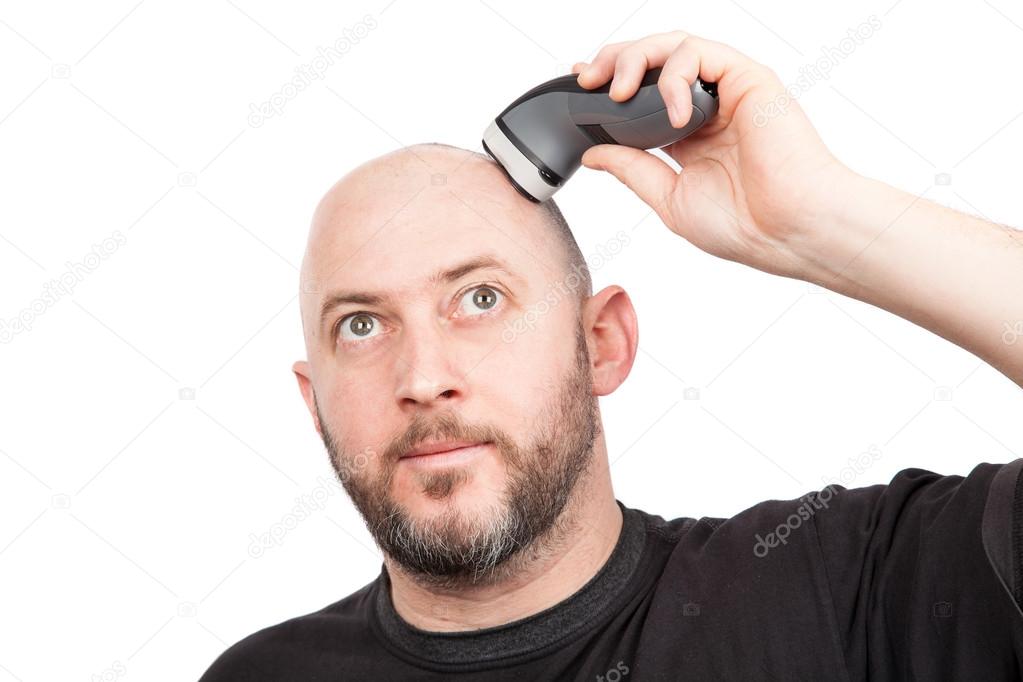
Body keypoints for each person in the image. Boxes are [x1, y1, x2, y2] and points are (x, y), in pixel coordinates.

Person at [198, 31, 1023, 680]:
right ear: (313, 402)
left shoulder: (850, 590)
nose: (422, 378)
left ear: (602, 344)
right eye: (360, 325)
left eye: (480, 299)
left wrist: (818, 220)